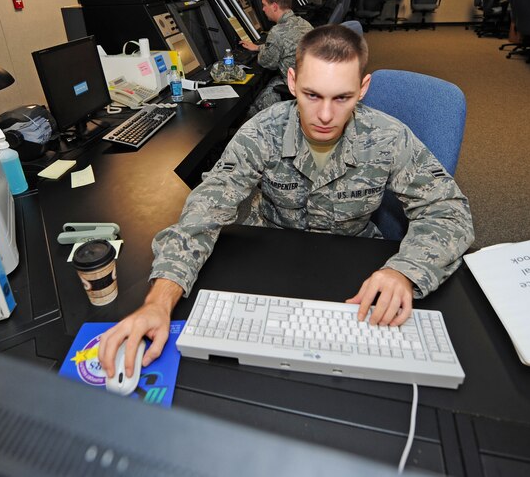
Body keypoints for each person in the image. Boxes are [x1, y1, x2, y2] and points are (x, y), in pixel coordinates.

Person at [98, 25, 475, 379]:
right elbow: (205, 211)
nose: (325, 115)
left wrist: (405, 272)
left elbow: (449, 210)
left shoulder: (388, 136)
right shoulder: (262, 132)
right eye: (312, 95)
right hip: (271, 255)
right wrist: (158, 302)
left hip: (355, 263)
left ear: (362, 89)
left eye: (341, 98)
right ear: (292, 82)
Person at [240, 0, 313, 114]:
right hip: (311, 85)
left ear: (274, 6)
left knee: (252, 109)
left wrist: (261, 50)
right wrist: (258, 47)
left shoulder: (277, 32)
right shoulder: (304, 23)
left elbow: (266, 62)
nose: (263, 9)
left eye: (264, 5)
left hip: (295, 86)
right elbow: (286, 45)